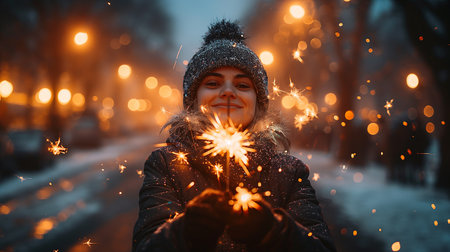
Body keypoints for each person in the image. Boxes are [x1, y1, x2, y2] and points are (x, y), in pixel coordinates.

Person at [132, 20, 336, 252]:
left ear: (258, 103)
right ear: (193, 99)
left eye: (242, 85)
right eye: (213, 83)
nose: (228, 92)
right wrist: (185, 233)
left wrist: (274, 232)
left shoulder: (289, 172)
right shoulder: (166, 165)